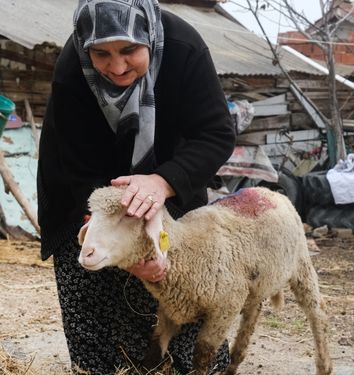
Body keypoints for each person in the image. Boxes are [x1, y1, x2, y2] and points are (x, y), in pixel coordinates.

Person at [37, 0, 236, 373]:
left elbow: (216, 133)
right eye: (101, 54)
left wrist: (163, 181)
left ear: (149, 36)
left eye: (129, 50)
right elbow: (77, 166)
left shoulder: (184, 50)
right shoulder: (72, 69)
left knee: (183, 294)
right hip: (85, 191)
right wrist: (122, 249)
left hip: (172, 184)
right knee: (96, 304)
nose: (116, 66)